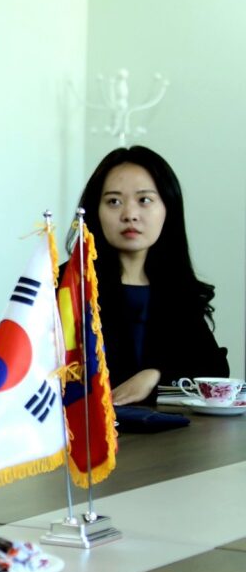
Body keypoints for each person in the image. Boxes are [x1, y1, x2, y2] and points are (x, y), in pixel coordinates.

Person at [69, 145, 229, 406]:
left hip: (165, 430)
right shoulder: (69, 284)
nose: (130, 215)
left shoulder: (176, 287)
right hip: (85, 427)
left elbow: (213, 368)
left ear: (168, 208)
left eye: (144, 200)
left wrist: (156, 375)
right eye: (113, 201)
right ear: (94, 211)